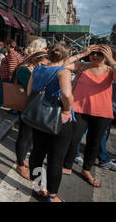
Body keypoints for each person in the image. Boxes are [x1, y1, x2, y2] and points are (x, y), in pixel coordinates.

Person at [62, 44, 116, 187]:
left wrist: (111, 59)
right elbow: (62, 64)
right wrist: (82, 53)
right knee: (73, 139)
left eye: (100, 54)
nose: (95, 56)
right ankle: (67, 165)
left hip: (102, 113)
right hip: (79, 110)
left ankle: (86, 170)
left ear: (105, 56)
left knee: (94, 144)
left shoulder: (111, 70)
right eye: (93, 53)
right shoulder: (82, 66)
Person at [28, 42, 74, 202]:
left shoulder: (37, 69)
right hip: (58, 119)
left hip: (39, 117)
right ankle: (52, 196)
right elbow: (66, 95)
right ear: (66, 57)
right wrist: (67, 110)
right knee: (56, 159)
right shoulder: (63, 72)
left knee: (37, 154)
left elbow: (30, 92)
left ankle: (39, 188)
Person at [13, 51, 49, 180]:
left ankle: (21, 159)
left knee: (30, 136)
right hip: (25, 107)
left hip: (32, 106)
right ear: (34, 60)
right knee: (25, 135)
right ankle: (20, 164)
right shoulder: (23, 69)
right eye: (41, 63)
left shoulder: (33, 69)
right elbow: (34, 88)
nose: (42, 66)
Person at [0, 40, 23, 112]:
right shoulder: (15, 54)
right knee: (4, 93)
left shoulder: (12, 55)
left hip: (7, 78)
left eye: (6, 45)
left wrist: (11, 81)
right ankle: (7, 108)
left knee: (2, 93)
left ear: (9, 46)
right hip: (8, 78)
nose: (5, 46)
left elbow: (12, 69)